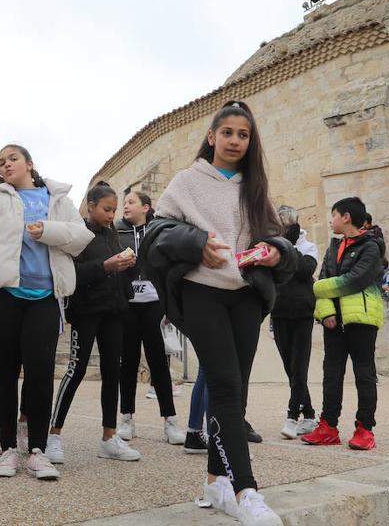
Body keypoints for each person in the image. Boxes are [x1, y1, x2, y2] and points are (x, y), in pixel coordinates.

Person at [141, 100, 295, 525]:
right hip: (201, 291)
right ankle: (246, 491)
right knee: (225, 385)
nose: (234, 141)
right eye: (227, 132)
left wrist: (273, 252)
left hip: (245, 294)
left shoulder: (255, 186)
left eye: (243, 135)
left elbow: (280, 242)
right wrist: (197, 245)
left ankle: (215, 481)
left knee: (237, 387)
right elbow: (156, 234)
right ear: (212, 136)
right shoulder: (186, 181)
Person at [0, 144, 90, 481]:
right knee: (4, 374)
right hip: (1, 297)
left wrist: (48, 230)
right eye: (1, 162)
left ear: (29, 163)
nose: (5, 164)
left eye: (12, 158)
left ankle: (37, 451)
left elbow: (81, 238)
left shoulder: (58, 200)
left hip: (44, 298)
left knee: (40, 374)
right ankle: (8, 449)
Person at [46, 183, 139, 465]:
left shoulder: (113, 234)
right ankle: (53, 435)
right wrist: (106, 267)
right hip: (86, 312)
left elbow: (117, 270)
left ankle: (109, 438)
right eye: (106, 209)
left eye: (114, 209)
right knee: (76, 369)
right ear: (91, 206)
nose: (112, 214)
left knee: (113, 372)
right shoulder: (80, 235)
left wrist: (128, 264)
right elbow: (71, 272)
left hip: (114, 312)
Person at [301, 197, 385, 452]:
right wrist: (325, 312)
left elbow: (355, 280)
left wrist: (316, 287)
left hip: (361, 319)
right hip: (333, 322)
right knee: (332, 374)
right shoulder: (333, 246)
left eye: (334, 215)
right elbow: (326, 277)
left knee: (364, 374)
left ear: (346, 217)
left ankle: (364, 429)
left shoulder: (372, 247)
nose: (331, 220)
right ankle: (328, 427)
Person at [114, 191, 186, 446]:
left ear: (146, 207)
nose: (126, 207)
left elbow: (171, 266)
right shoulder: (117, 232)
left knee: (159, 364)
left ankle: (170, 422)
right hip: (128, 306)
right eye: (124, 203)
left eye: (131, 202)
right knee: (128, 364)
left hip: (155, 306)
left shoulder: (159, 231)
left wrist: (170, 304)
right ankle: (127, 419)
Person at [272, 205, 319, 439]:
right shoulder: (273, 246)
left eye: (287, 225)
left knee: (299, 368)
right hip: (279, 313)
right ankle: (310, 415)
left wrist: (288, 246)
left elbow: (305, 269)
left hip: (302, 314)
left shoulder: (308, 246)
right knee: (290, 369)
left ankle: (292, 416)